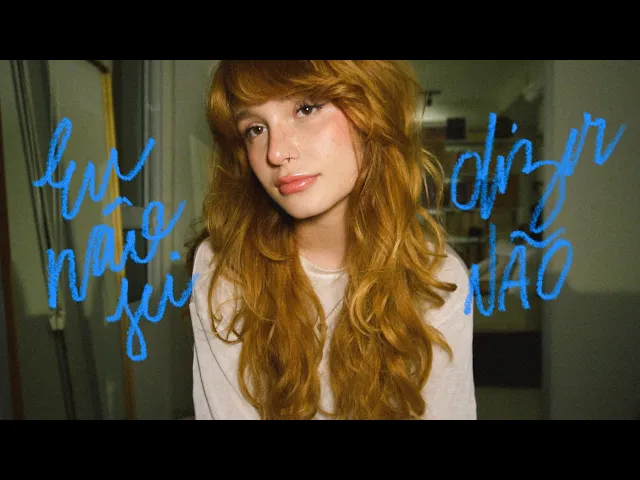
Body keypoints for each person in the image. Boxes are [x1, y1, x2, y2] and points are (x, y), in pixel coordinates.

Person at [186, 60, 476, 420]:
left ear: (370, 110)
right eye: (255, 129)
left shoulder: (438, 277)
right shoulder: (225, 267)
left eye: (306, 109)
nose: (275, 153)